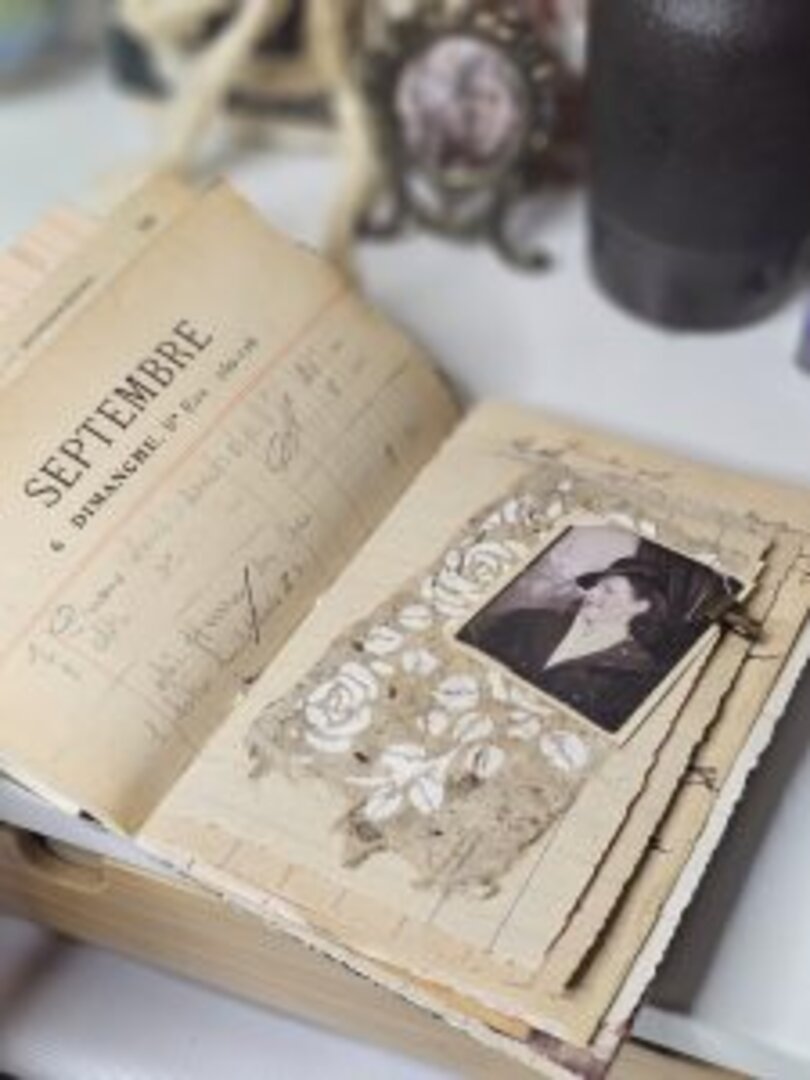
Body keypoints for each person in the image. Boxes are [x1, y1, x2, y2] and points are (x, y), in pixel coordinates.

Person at [460, 556, 675, 733]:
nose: (590, 593)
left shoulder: (637, 671)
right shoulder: (528, 620)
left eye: (608, 590)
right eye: (595, 586)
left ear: (640, 606)